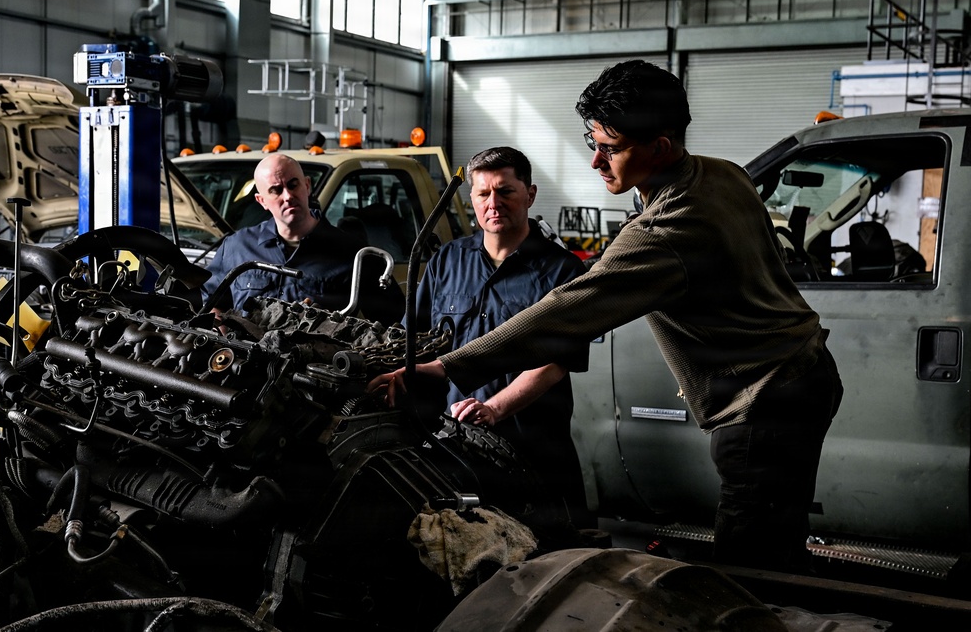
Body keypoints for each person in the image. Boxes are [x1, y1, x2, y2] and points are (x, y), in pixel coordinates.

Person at [372, 60, 842, 572]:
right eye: (591, 140)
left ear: (659, 147)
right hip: (804, 372)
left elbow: (565, 313)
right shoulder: (721, 172)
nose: (595, 161)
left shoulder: (665, 230)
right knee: (778, 537)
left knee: (752, 568)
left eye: (610, 148)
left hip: (764, 404)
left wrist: (445, 368)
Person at [410, 146, 592, 527]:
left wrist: (495, 408)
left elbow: (554, 363)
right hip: (456, 449)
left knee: (552, 563)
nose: (494, 203)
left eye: (505, 191)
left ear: (530, 194)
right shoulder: (446, 262)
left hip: (536, 451)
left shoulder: (562, 272)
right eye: (483, 193)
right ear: (471, 199)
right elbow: (420, 342)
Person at [202, 153, 404, 324]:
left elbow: (394, 322)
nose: (288, 196)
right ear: (261, 200)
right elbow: (210, 304)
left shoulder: (354, 254)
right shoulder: (236, 247)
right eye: (276, 190)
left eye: (293, 185)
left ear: (307, 186)